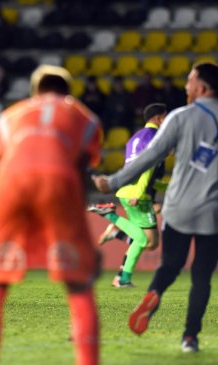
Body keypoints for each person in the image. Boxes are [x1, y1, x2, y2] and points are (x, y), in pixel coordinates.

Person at [92, 62, 218, 353]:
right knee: (202, 277)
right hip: (214, 211)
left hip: (179, 206)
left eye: (190, 81)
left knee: (170, 264)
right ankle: (190, 337)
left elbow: (150, 156)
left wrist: (113, 181)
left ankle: (154, 293)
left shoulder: (179, 117)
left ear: (203, 88)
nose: (185, 86)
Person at [0, 65, 102, 365]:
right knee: (79, 283)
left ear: (35, 92)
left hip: (10, 182)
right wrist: (83, 240)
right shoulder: (86, 118)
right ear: (67, 92)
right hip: (60, 180)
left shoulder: (8, 116)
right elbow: (82, 171)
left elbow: (3, 161)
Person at [88, 103, 167, 288]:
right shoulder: (156, 138)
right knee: (149, 241)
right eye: (166, 117)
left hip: (127, 190)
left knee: (142, 240)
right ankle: (112, 219)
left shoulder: (135, 138)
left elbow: (134, 169)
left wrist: (168, 185)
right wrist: (140, 193)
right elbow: (147, 168)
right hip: (138, 194)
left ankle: (122, 278)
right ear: (158, 118)